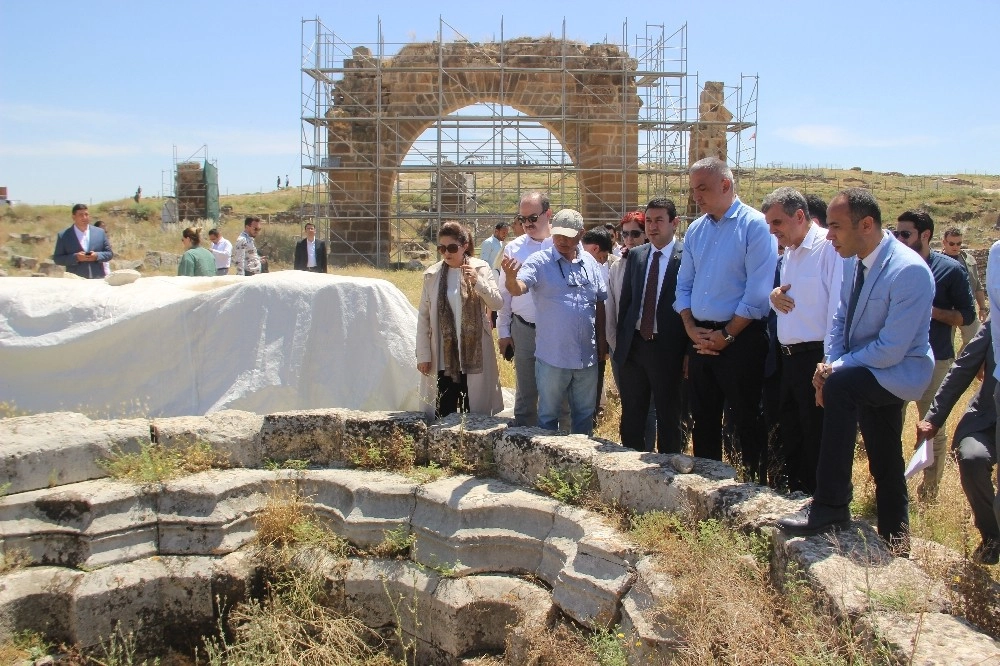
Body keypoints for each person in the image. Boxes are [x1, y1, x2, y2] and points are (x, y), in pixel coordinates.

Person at [777, 189, 935, 554]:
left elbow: (892, 348)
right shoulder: (852, 260)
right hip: (865, 368)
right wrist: (829, 362)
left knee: (843, 390)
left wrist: (835, 371)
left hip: (899, 371)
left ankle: (831, 504)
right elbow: (838, 320)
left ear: (866, 225)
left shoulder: (908, 271)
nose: (828, 235)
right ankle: (897, 538)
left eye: (835, 226)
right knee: (883, 451)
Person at [675, 157, 777, 481]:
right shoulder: (696, 230)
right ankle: (707, 488)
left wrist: (728, 335)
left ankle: (752, 489)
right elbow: (684, 284)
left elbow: (758, 291)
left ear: (726, 185)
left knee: (746, 419)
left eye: (702, 188)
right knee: (703, 419)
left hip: (741, 338)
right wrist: (692, 328)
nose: (696, 197)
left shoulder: (756, 226)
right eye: (693, 190)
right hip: (702, 336)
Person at [502, 209, 607, 435]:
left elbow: (600, 303)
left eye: (568, 235)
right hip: (553, 357)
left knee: (584, 415)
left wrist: (602, 342)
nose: (561, 240)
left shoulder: (589, 261)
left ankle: (581, 464)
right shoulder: (540, 261)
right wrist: (511, 279)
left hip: (586, 358)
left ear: (581, 233)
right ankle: (548, 466)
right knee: (548, 416)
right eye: (558, 234)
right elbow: (518, 288)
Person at [894, 210, 975, 501]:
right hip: (896, 360)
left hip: (935, 361)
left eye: (905, 234)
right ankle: (889, 486)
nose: (899, 239)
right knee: (888, 423)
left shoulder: (950, 270)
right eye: (896, 233)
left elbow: (967, 316)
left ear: (925, 235)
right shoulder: (893, 266)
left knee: (931, 429)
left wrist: (929, 311)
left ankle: (929, 493)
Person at [765, 188, 840, 493]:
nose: (773, 231)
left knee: (816, 436)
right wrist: (773, 299)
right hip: (788, 358)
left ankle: (819, 504)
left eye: (777, 223)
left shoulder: (828, 249)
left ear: (799, 216)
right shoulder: (790, 253)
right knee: (792, 433)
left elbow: (837, 308)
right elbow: (788, 298)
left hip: (816, 357)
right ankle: (796, 497)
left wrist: (830, 362)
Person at [917, 321, 1000, 564]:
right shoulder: (997, 320)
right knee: (972, 457)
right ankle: (992, 537)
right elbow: (963, 367)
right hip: (987, 419)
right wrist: (933, 418)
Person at [615, 197, 687, 453]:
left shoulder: (686, 257)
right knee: (632, 415)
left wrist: (688, 352)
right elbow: (627, 303)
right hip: (635, 346)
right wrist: (622, 346)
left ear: (674, 223)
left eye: (659, 220)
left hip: (668, 348)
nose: (653, 227)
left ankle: (668, 471)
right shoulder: (636, 256)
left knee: (669, 416)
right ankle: (629, 469)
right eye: (649, 221)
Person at [416, 221, 504, 419]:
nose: (447, 253)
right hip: (443, 357)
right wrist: (423, 354)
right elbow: (423, 317)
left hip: (474, 355)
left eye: (452, 248)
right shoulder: (432, 274)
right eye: (442, 248)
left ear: (464, 246)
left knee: (473, 414)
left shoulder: (481, 268)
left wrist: (477, 282)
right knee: (443, 413)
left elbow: (497, 303)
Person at [497, 192, 553, 427]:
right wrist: (503, 332)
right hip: (524, 329)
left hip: (556, 331)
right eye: (522, 219)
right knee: (526, 395)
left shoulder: (564, 244)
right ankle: (521, 446)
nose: (527, 224)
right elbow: (504, 294)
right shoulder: (514, 248)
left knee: (557, 395)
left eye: (533, 218)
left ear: (548, 214)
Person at [605, 210, 656, 449]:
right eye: (624, 234)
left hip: (651, 344)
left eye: (635, 233)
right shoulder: (618, 266)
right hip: (624, 347)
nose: (629, 239)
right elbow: (612, 309)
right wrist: (615, 345)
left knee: (651, 408)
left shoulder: (656, 263)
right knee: (631, 404)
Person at [941, 227, 987, 348]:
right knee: (945, 348)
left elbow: (977, 286)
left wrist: (982, 308)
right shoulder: (936, 262)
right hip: (945, 311)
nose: (955, 246)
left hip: (967, 309)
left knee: (975, 342)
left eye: (959, 243)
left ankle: (961, 366)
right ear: (944, 242)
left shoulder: (969, 260)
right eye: (951, 243)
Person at [53, 203, 114, 279]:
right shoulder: (64, 235)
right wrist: (76, 257)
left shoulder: (100, 233)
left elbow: (109, 254)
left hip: (98, 280)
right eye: (81, 215)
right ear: (73, 217)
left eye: (86, 214)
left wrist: (97, 256)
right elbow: (57, 259)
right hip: (75, 281)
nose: (84, 217)